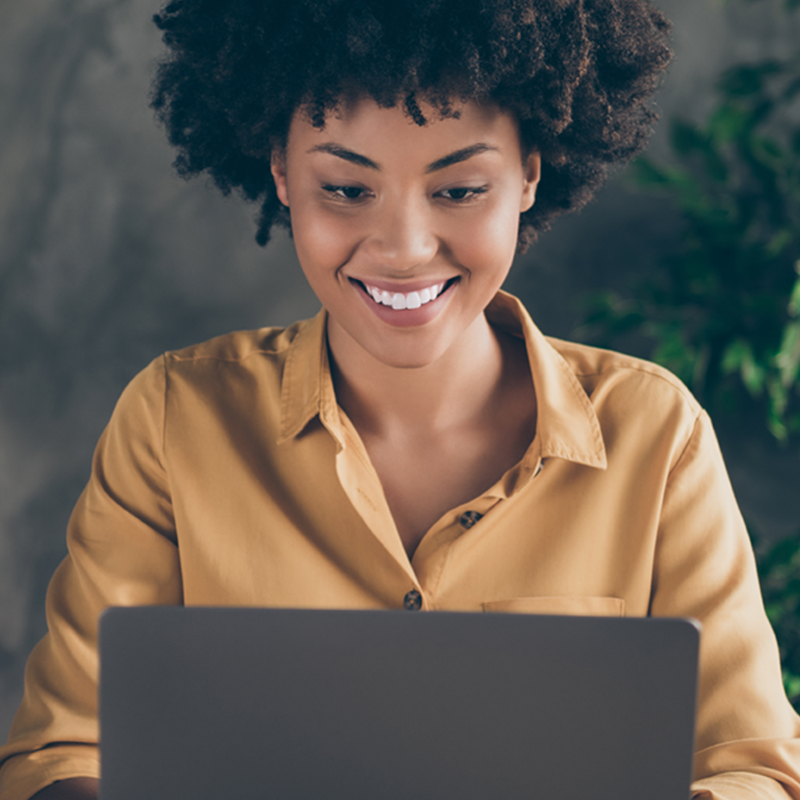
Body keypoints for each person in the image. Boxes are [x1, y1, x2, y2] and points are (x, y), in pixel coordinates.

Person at [2, 0, 800, 798]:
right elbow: (66, 751)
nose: (404, 249)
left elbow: (749, 763)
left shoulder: (656, 436)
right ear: (282, 171)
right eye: (347, 189)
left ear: (528, 176)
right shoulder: (175, 421)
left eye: (459, 190)